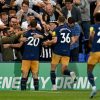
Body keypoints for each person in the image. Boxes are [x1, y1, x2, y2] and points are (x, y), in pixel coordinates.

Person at [43, 16, 77, 90]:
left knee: (52, 69)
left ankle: (54, 86)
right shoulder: (69, 29)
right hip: (67, 52)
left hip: (57, 51)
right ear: (64, 21)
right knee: (63, 70)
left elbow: (54, 41)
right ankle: (71, 73)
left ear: (58, 21)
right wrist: (67, 44)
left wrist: (48, 42)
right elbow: (73, 40)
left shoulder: (56, 29)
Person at [20, 19, 43, 90]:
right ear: (36, 25)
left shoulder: (26, 33)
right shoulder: (39, 34)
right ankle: (36, 91)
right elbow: (45, 38)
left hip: (26, 56)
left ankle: (23, 91)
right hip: (35, 57)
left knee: (24, 74)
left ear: (30, 24)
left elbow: (20, 39)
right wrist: (41, 36)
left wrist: (20, 39)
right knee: (35, 74)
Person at [87, 11, 100, 98]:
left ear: (95, 19)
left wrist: (90, 44)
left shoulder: (92, 27)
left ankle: (94, 88)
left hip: (95, 52)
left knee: (89, 71)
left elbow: (91, 37)